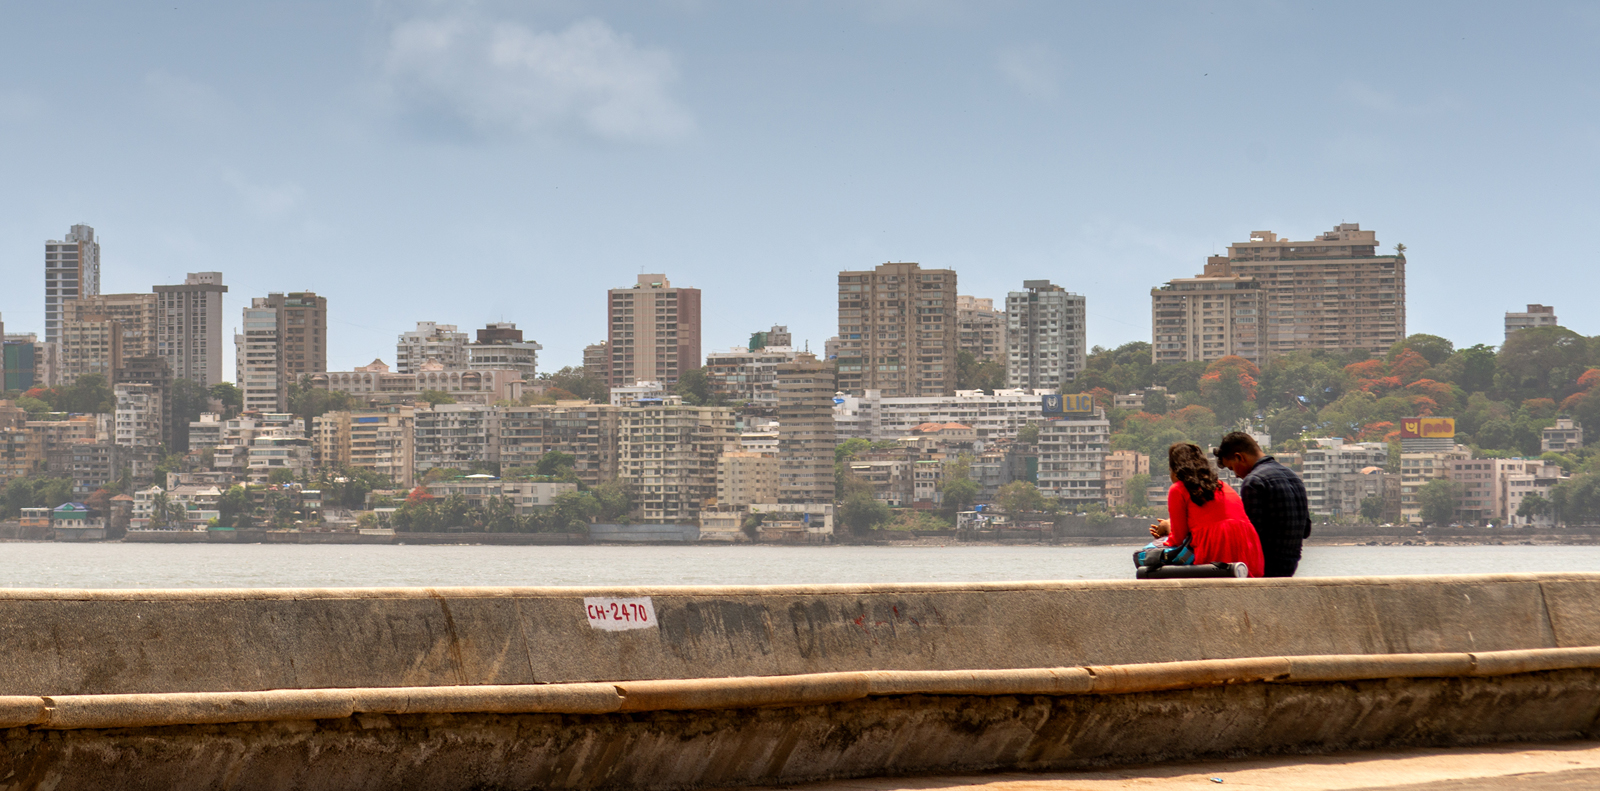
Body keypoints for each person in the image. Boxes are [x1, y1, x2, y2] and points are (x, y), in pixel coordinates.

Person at [1149, 442, 1264, 577]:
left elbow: (1177, 539)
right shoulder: (1222, 485)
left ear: (1175, 470)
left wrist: (1165, 533)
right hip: (1250, 554)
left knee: (1151, 554)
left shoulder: (1178, 489)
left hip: (1217, 554)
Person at [1213, 431, 1311, 578]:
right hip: (1289, 567)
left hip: (1264, 569)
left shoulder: (1254, 482)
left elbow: (1251, 537)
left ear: (1240, 457)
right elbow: (1306, 530)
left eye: (1232, 468)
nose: (1236, 475)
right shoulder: (1293, 476)